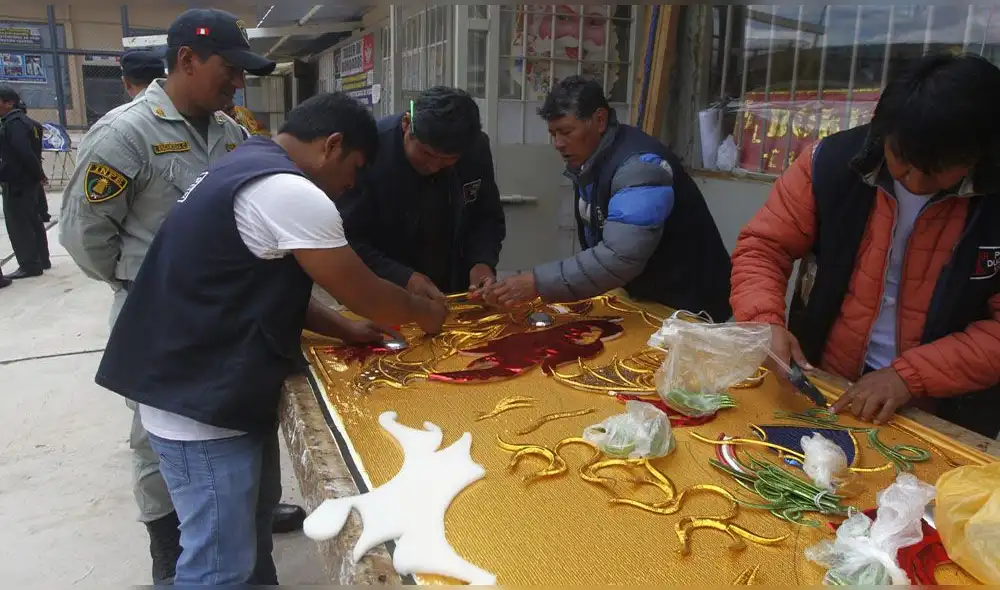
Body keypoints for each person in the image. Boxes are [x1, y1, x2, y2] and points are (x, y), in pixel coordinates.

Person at [95, 91, 447, 585]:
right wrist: (426, 315)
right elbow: (364, 291)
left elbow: (253, 280)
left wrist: (343, 327)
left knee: (248, 540)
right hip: (200, 402)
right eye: (355, 168)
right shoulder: (290, 192)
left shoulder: (246, 162)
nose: (351, 185)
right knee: (219, 564)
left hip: (205, 385)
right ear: (333, 145)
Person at [58, 8, 304, 584]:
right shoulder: (126, 135)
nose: (238, 82)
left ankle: (244, 545)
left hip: (228, 322)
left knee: (240, 428)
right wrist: (146, 282)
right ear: (187, 60)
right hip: (158, 320)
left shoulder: (232, 132)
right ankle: (170, 553)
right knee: (160, 440)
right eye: (230, 69)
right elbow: (85, 236)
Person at [730, 53, 1000, 439]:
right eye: (903, 162)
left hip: (948, 408)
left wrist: (909, 377)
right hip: (827, 381)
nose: (916, 182)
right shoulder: (832, 163)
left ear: (978, 154)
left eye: (938, 170)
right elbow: (763, 247)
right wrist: (763, 322)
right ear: (882, 131)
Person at [482, 76, 732, 320]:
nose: (558, 143)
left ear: (599, 120)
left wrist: (537, 283)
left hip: (690, 306)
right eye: (553, 133)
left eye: (566, 131)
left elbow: (620, 257)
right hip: (647, 298)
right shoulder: (590, 163)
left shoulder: (640, 167)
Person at [339, 85, 506, 300]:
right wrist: (404, 277)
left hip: (454, 289)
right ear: (407, 125)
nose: (434, 166)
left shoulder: (474, 149)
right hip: (381, 291)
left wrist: (482, 263)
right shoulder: (371, 150)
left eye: (448, 160)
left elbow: (486, 216)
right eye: (426, 154)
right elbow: (346, 238)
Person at [0, 85, 49, 280]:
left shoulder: (13, 124)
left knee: (19, 223)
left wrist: (38, 173)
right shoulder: (28, 122)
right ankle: (42, 259)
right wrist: (38, 174)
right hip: (28, 180)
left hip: (17, 181)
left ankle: (29, 264)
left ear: (8, 102)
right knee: (33, 220)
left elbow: (24, 152)